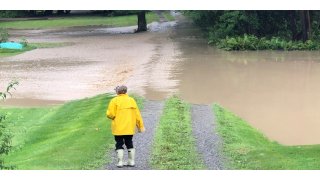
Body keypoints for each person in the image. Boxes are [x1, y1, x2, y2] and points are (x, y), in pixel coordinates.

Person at [106, 85, 145, 168]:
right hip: (129, 127)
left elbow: (110, 114)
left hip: (118, 127)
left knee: (119, 143)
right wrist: (140, 126)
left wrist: (112, 117)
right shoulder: (132, 100)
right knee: (129, 142)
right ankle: (131, 161)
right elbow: (137, 115)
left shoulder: (114, 100)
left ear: (117, 92)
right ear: (125, 91)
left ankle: (120, 162)